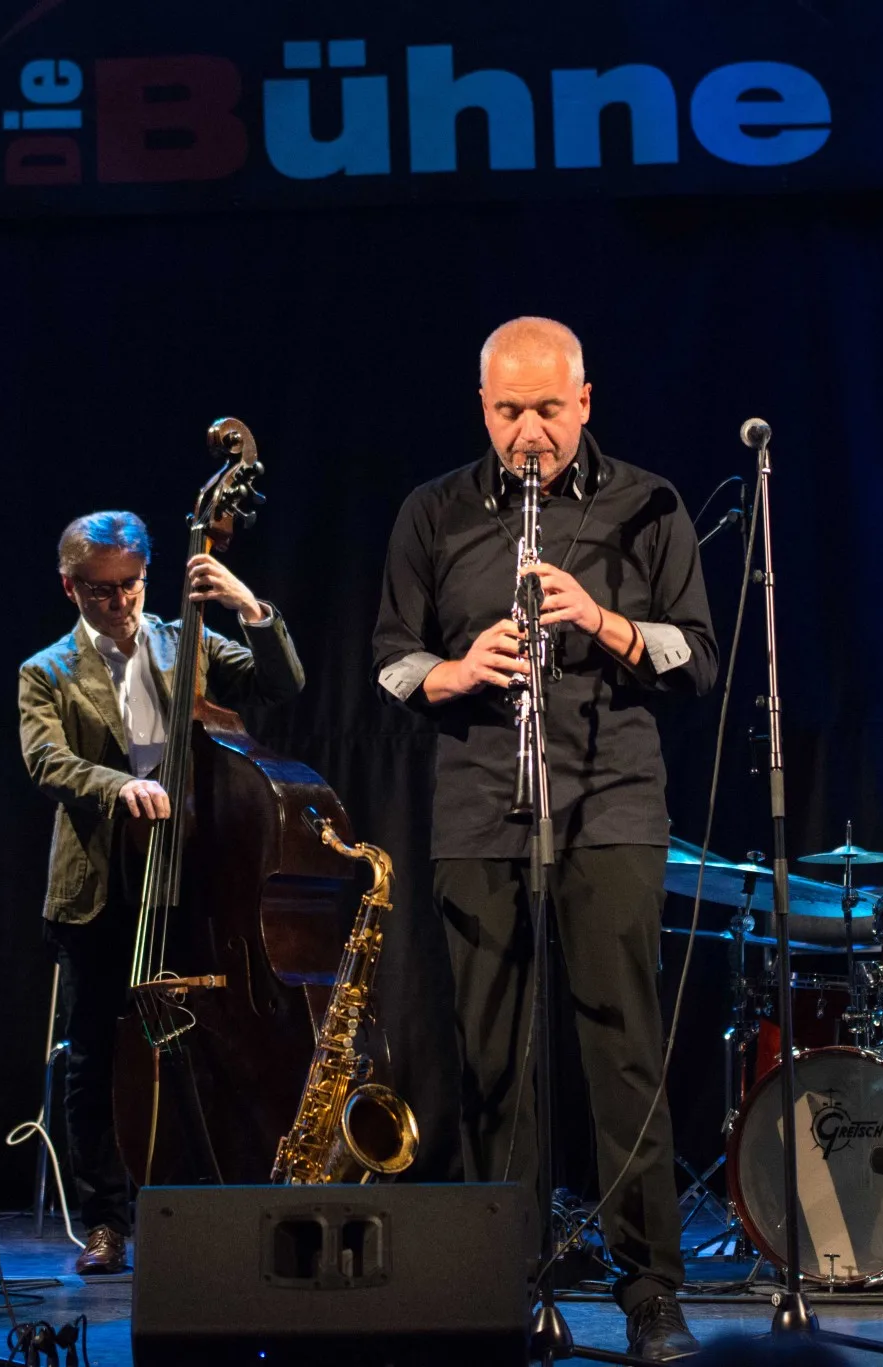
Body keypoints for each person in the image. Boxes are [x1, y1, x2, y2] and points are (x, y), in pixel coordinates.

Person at [371, 317, 717, 1361]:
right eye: (509, 410)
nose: (529, 431)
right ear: (483, 408)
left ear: (584, 401)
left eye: (548, 409)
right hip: (481, 808)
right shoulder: (431, 511)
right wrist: (455, 668)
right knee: (491, 1058)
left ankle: (648, 1287)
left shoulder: (645, 503)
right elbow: (389, 661)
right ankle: (505, 1277)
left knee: (623, 1051)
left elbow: (695, 656)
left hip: (609, 803)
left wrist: (603, 621)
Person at [18, 510, 307, 1276]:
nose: (120, 603)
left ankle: (219, 1191)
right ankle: (107, 1219)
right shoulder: (44, 671)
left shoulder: (189, 642)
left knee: (221, 1033)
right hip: (102, 886)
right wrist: (120, 787)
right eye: (101, 591)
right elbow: (48, 762)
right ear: (69, 585)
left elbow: (285, 685)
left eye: (132, 585)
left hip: (201, 877)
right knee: (96, 1057)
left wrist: (251, 607)